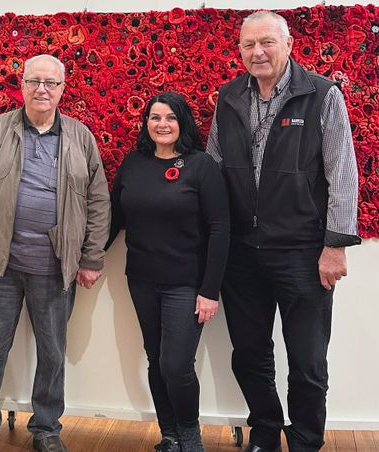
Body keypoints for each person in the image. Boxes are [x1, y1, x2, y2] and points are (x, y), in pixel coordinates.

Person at [206, 11, 361, 452]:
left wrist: (335, 246)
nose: (258, 52)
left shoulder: (321, 94)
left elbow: (343, 174)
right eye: (249, 45)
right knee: (250, 355)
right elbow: (215, 164)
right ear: (239, 51)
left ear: (289, 44)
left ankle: (307, 441)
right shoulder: (229, 96)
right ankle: (266, 432)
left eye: (267, 42)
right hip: (241, 253)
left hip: (303, 252)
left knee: (308, 362)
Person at [0, 54, 109, 452]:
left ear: (62, 89)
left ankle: (46, 429)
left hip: (56, 269)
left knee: (53, 353)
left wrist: (92, 257)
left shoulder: (80, 136)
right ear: (22, 85)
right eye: (34, 81)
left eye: (51, 83)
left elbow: (98, 200)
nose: (42, 89)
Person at [107, 92, 229, 452]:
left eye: (170, 117)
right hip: (142, 280)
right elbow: (114, 219)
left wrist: (210, 290)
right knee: (157, 360)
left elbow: (221, 229)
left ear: (183, 123)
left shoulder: (201, 166)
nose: (162, 124)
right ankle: (169, 434)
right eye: (155, 117)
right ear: (146, 123)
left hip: (187, 284)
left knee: (176, 365)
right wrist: (88, 257)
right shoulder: (133, 163)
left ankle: (190, 435)